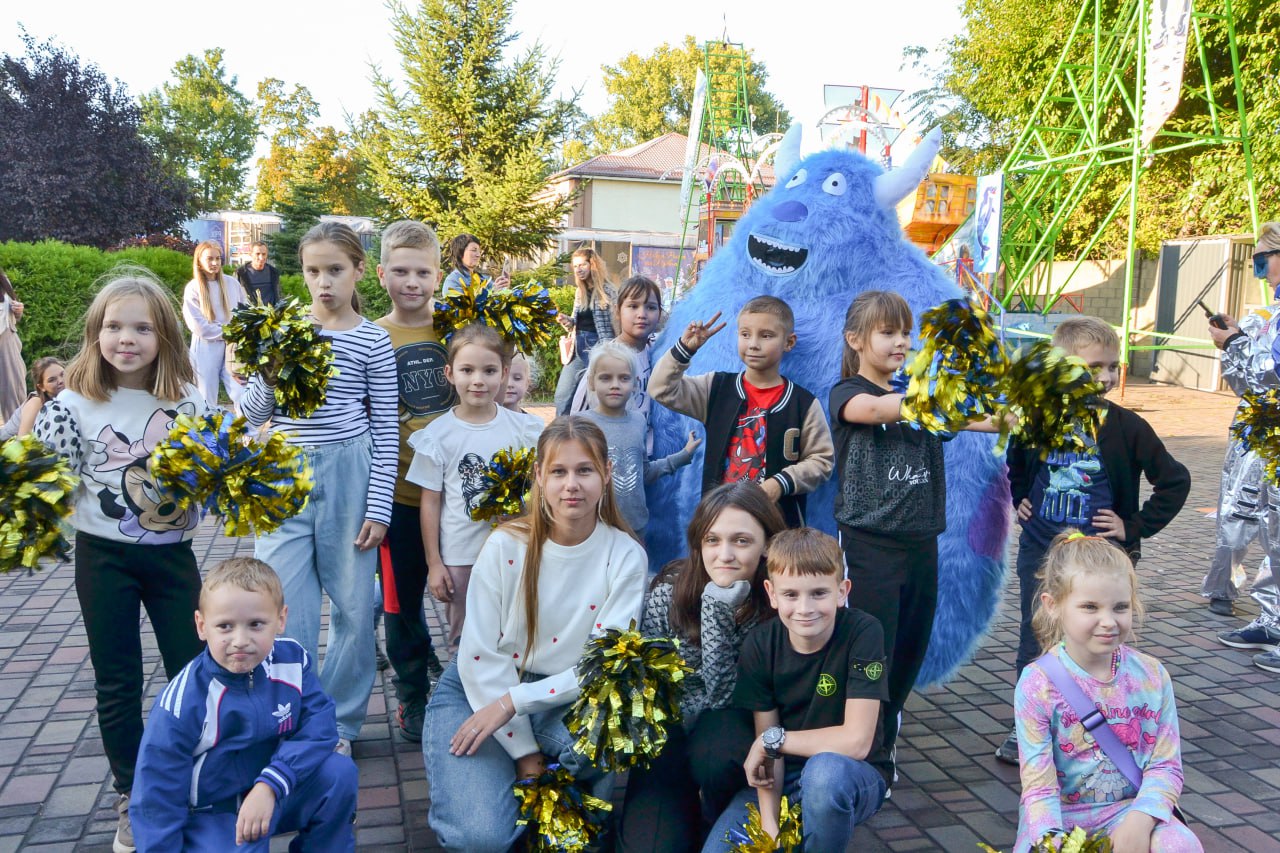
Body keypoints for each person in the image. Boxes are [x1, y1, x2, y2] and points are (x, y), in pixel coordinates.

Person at [34, 271, 210, 853]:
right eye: (113, 326)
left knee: (192, 672)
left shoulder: (188, 400)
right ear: (95, 333)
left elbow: (214, 479)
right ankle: (132, 795)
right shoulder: (72, 403)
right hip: (102, 559)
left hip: (173, 558)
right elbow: (48, 482)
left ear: (165, 336)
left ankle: (194, 781)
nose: (126, 339)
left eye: (142, 328)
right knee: (117, 680)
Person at [424, 416, 648, 853]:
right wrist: (524, 752)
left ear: (606, 473)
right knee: (480, 838)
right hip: (480, 687)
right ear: (539, 476)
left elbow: (600, 667)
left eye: (584, 470)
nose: (572, 485)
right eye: (559, 471)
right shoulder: (505, 545)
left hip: (565, 696)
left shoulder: (625, 555)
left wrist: (515, 703)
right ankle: (506, 784)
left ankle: (562, 805)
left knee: (600, 753)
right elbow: (479, 654)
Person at [996, 317, 1190, 764]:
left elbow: (1175, 481)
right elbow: (1016, 462)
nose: (1105, 377)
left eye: (1112, 366)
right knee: (1036, 637)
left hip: (1100, 562)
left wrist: (1133, 526)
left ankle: (1095, 722)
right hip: (1042, 554)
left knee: (1097, 641)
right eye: (1092, 367)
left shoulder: (1126, 426)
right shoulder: (1036, 419)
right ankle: (1028, 729)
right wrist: (1020, 497)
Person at [241, 221, 398, 756]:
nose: (323, 282)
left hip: (350, 472)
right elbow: (252, 415)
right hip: (283, 473)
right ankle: (291, 717)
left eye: (335, 269)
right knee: (283, 604)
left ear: (359, 270)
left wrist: (378, 506)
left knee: (353, 608)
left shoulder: (373, 339)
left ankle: (339, 725)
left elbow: (385, 427)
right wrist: (269, 371)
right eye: (313, 271)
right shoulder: (283, 329)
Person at [829, 290, 1001, 766]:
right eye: (887, 332)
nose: (901, 342)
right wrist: (939, 395)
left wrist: (1028, 411)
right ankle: (860, 751)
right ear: (855, 340)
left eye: (905, 333)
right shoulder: (848, 393)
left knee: (908, 650)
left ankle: (883, 743)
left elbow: (982, 419)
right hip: (868, 546)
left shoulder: (920, 394)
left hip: (922, 544)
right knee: (870, 653)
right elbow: (877, 411)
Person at [130, 558, 358, 852]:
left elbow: (320, 725)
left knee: (338, 773)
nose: (240, 640)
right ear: (201, 626)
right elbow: (155, 795)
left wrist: (270, 785)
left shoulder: (292, 660)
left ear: (281, 619)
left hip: (275, 789)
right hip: (215, 812)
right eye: (225, 626)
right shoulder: (182, 702)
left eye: (256, 624)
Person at [617, 482, 787, 852]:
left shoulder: (775, 605)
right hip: (670, 728)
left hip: (728, 731)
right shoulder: (669, 592)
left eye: (741, 541)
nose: (725, 555)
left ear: (766, 545)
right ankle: (680, 815)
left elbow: (724, 696)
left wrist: (716, 607)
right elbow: (650, 684)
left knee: (717, 752)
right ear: (698, 542)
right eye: (712, 540)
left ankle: (718, 810)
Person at [703, 527, 890, 852]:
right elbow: (768, 755)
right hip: (783, 776)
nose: (805, 608)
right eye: (791, 594)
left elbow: (857, 742)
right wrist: (769, 826)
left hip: (851, 773)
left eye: (819, 593)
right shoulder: (760, 644)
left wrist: (774, 741)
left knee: (824, 775)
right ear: (772, 593)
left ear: (842, 591)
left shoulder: (863, 632)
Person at [1015, 532, 1201, 853]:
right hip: (1060, 819)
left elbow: (1166, 766)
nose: (1108, 621)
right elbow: (1039, 790)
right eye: (1090, 607)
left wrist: (1141, 820)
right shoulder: (1038, 684)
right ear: (1053, 605)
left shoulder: (1152, 675)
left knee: (1179, 846)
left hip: (1130, 811)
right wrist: (1052, 843)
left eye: (1120, 607)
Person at [407, 323, 542, 648]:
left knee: (512, 630)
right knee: (463, 637)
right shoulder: (437, 435)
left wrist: (524, 515)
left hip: (514, 549)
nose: (478, 380)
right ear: (450, 374)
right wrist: (434, 563)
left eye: (489, 370)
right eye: (467, 370)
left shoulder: (523, 429)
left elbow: (539, 487)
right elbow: (430, 502)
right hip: (461, 555)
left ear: (504, 373)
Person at [649, 295, 834, 528]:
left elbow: (822, 460)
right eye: (745, 334)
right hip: (719, 523)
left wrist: (780, 483)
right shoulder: (715, 388)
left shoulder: (802, 403)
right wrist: (684, 350)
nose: (753, 344)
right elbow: (661, 389)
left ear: (789, 342)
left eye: (766, 335)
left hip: (779, 529)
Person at [373, 220, 456, 743]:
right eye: (400, 271)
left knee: (468, 592)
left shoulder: (456, 330)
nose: (412, 282)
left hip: (461, 497)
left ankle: (469, 680)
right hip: (398, 497)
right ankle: (412, 694)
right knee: (401, 603)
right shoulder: (371, 336)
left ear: (438, 276)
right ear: (381, 274)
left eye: (422, 272)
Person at [1202, 221, 1280, 673]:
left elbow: (1271, 376)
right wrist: (1237, 342)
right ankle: (1272, 620)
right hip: (1266, 438)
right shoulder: (1272, 314)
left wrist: (1234, 342)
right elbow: (1250, 384)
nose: (1259, 271)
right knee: (1268, 529)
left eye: (1263, 260)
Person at [580, 340, 699, 541]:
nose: (615, 385)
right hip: (595, 528)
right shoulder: (582, 425)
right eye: (605, 378)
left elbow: (643, 473)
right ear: (591, 382)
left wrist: (683, 456)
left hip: (635, 528)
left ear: (635, 383)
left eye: (624, 378)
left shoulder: (638, 422)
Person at [568, 275, 665, 437]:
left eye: (651, 307)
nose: (642, 314)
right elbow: (578, 417)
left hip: (646, 451)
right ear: (617, 310)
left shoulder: (658, 351)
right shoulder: (605, 358)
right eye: (633, 306)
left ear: (660, 313)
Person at [182, 240, 247, 408]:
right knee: (206, 395)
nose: (214, 263)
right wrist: (226, 331)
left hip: (232, 345)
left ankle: (246, 425)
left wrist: (239, 332)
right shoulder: (193, 288)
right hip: (206, 346)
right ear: (199, 261)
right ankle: (207, 425)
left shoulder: (232, 284)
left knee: (241, 391)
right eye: (209, 259)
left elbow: (245, 311)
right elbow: (197, 324)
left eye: (217, 258)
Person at [553, 247, 617, 414]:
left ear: (593, 265)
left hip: (599, 348)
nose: (578, 269)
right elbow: (575, 322)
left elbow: (617, 323)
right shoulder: (579, 291)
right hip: (578, 348)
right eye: (575, 266)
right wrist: (567, 321)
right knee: (562, 395)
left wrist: (615, 350)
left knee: (595, 397)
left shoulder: (608, 291)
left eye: (582, 265)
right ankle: (561, 429)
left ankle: (592, 428)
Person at [0, 356, 63, 440]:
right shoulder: (36, 403)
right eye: (52, 380)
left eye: (62, 374)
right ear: (41, 387)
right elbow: (22, 441)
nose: (61, 381)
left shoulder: (67, 397)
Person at [440, 233, 509, 297]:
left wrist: (503, 287)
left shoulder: (484, 279)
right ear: (460, 253)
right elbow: (460, 305)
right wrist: (492, 292)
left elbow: (500, 299)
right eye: (474, 250)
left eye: (479, 251)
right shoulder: (453, 281)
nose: (478, 255)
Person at [0, 266, 27, 420]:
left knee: (15, 394)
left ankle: (19, 431)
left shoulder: (3, 280)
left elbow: (14, 316)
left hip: (7, 342)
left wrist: (18, 310)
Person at [235, 240, 282, 305]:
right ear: (250, 254)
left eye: (264, 254)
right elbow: (235, 296)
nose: (261, 257)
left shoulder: (274, 272)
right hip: (249, 311)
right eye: (257, 254)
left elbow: (278, 295)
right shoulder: (241, 273)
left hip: (272, 311)